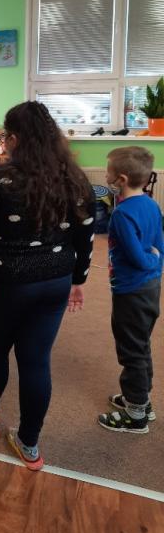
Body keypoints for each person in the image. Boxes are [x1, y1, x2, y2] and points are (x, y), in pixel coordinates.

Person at [0, 101, 95, 470]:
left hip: (6, 285)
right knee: (36, 361)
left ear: (13, 139)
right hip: (56, 282)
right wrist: (78, 280)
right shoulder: (75, 179)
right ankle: (29, 443)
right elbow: (85, 236)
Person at [97, 147, 163, 434]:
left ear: (121, 179)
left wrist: (151, 261)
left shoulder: (122, 214)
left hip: (131, 291)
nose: (106, 176)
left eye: (108, 172)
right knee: (141, 343)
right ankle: (141, 400)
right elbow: (160, 245)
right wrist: (156, 262)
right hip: (150, 287)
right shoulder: (151, 204)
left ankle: (136, 415)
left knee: (131, 350)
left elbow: (139, 257)